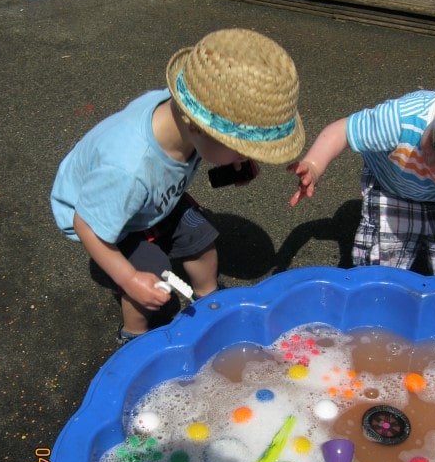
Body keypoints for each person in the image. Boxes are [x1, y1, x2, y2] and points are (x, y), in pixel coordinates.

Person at [51, 28, 305, 344]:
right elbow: (86, 223)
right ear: (195, 127)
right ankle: (133, 336)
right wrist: (129, 279)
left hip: (151, 196)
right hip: (102, 214)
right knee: (151, 271)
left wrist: (233, 164)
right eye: (240, 149)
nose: (246, 157)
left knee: (201, 235)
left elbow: (203, 153)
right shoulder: (128, 169)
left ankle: (209, 301)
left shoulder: (183, 117)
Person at [288, 87, 435, 275]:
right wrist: (314, 165)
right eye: (431, 142)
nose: (430, 160)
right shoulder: (400, 119)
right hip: (392, 185)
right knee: (379, 270)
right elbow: (342, 131)